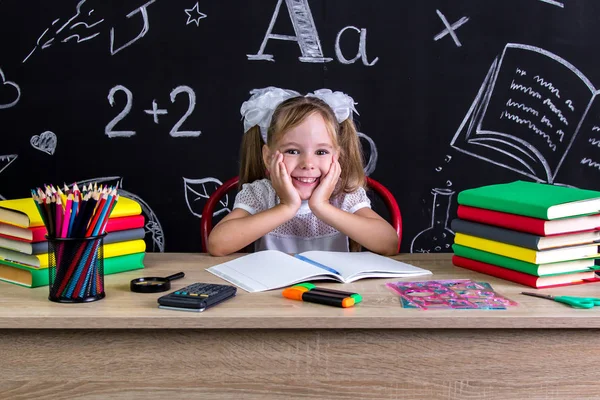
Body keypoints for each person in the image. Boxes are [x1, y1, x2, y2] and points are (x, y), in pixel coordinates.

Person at [207, 87, 399, 256]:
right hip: (271, 294)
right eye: (292, 151)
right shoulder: (260, 194)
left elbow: (389, 244)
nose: (308, 163)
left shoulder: (344, 195)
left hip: (330, 294)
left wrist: (322, 206)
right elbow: (217, 245)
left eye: (321, 152)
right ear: (268, 157)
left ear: (337, 156)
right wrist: (286, 207)